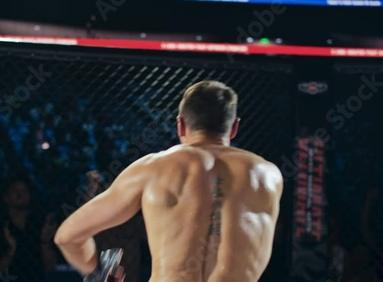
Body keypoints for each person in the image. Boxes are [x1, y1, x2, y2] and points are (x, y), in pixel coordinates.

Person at [54, 81, 283, 282]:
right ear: (234, 128)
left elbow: (68, 237)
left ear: (180, 125)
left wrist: (100, 275)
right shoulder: (268, 175)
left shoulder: (153, 168)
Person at [0, 177, 58, 282]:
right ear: (6, 197)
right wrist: (10, 251)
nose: (20, 193)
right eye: (15, 190)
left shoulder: (38, 225)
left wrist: (45, 242)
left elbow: (50, 267)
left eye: (24, 190)